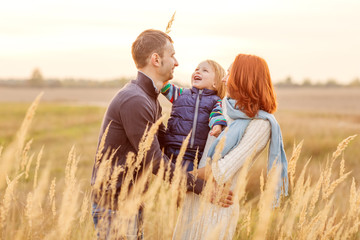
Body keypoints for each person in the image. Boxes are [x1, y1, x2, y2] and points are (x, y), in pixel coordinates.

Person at [90, 29, 233, 240]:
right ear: (156, 59)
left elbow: (165, 143)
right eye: (172, 55)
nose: (177, 62)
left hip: (131, 203)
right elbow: (155, 161)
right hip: (115, 208)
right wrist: (203, 189)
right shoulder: (135, 100)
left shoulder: (148, 98)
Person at [173, 54, 289, 240]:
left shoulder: (261, 124)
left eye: (229, 73)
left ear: (244, 78)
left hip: (217, 206)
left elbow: (223, 169)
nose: (224, 80)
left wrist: (182, 179)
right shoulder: (222, 108)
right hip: (194, 196)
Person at [160, 60, 227, 172]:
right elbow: (163, 85)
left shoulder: (215, 101)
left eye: (204, 70)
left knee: (184, 182)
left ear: (215, 83)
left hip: (192, 154)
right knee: (167, 179)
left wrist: (218, 125)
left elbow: (216, 114)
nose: (198, 72)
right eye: (196, 69)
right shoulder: (181, 93)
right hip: (171, 147)